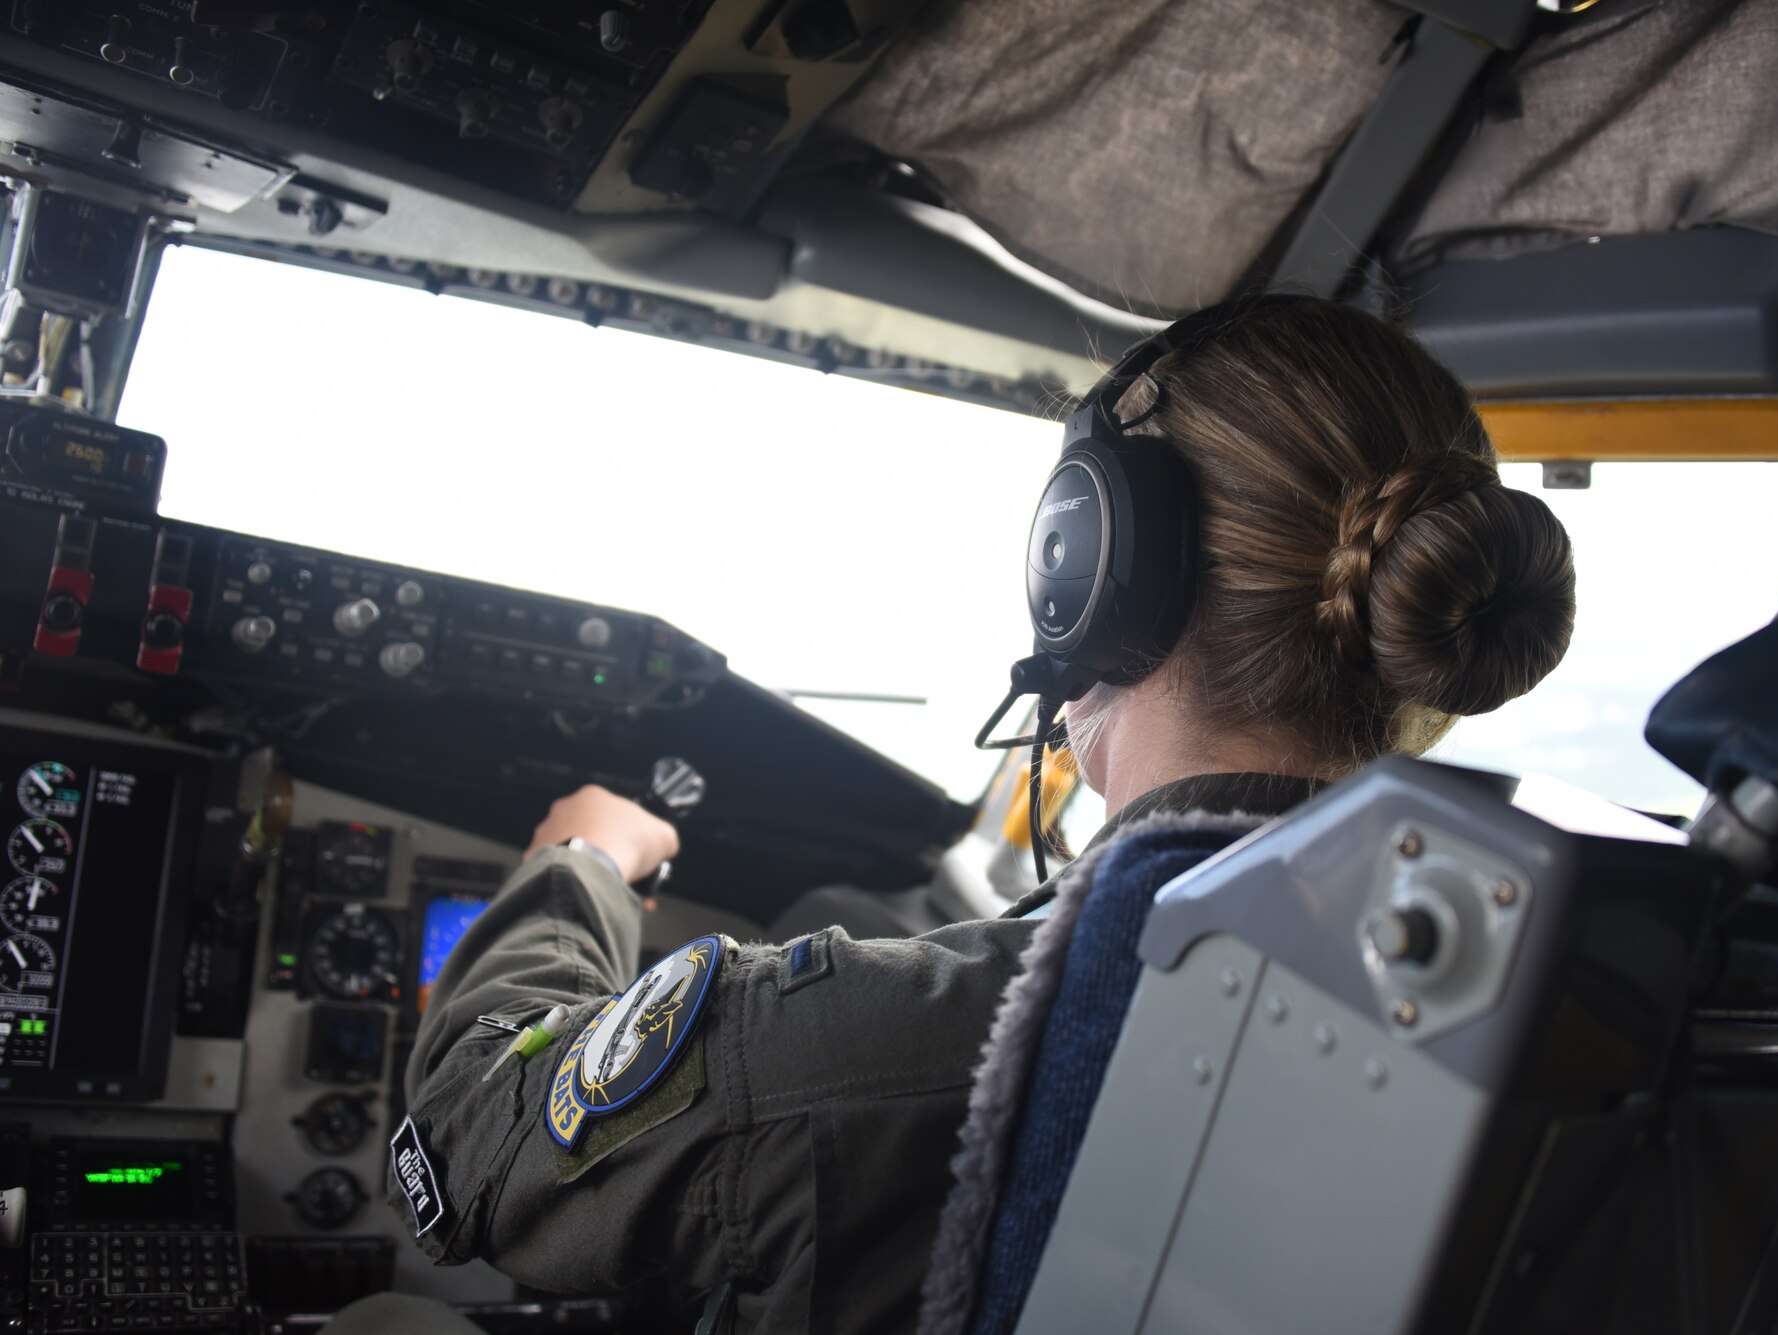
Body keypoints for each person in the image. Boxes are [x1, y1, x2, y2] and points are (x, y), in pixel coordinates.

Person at [372, 295, 1576, 1333]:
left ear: (1089, 562)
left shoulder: (954, 1038)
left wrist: (579, 862)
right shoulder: (1497, 996)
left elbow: (469, 1143)